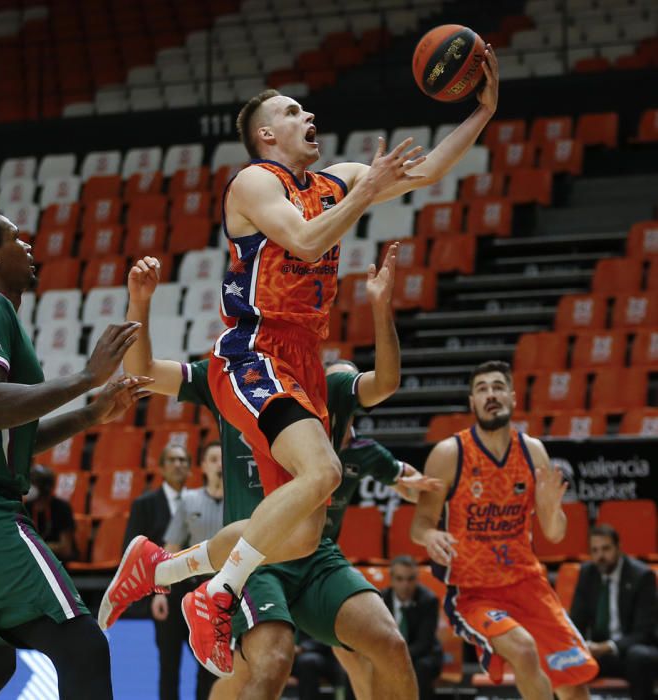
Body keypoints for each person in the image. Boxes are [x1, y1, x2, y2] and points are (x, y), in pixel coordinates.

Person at [150, 48, 498, 676]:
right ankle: (216, 595)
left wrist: (482, 112)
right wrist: (365, 189)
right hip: (254, 350)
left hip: (306, 359)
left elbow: (424, 174)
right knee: (325, 470)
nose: (306, 113)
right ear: (266, 134)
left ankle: (166, 567)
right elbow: (307, 239)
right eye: (291, 110)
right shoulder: (254, 181)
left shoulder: (333, 179)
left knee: (302, 536)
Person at [105, 254, 441, 700]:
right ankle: (170, 570)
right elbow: (140, 371)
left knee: (390, 643)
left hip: (315, 555)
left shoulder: (324, 381)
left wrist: (381, 308)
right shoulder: (225, 374)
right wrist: (140, 303)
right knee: (271, 664)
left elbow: (386, 382)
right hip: (257, 559)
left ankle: (163, 568)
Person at [0, 199, 152, 699]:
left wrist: (90, 412)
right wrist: (87, 377)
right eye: (14, 237)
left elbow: (9, 439)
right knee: (83, 645)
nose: (27, 244)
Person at [411, 360, 598, 700]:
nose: (490, 395)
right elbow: (419, 524)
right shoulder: (449, 454)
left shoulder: (533, 452)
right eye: (482, 389)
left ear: (512, 397)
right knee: (524, 650)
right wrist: (430, 535)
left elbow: (554, 533)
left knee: (574, 684)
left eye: (498, 387)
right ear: (472, 403)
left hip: (528, 583)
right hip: (473, 591)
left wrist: (552, 509)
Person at [121, 442, 196, 700]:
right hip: (165, 595)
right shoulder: (145, 504)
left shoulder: (200, 499)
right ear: (162, 468)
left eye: (183, 460)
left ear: (190, 468)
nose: (178, 465)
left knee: (209, 666)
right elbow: (133, 549)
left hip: (198, 593)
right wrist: (155, 592)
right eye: (173, 460)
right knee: (169, 665)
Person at [159, 441, 224, 700]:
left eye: (223, 459)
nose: (219, 464)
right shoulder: (189, 500)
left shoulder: (239, 500)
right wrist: (160, 592)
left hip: (228, 592)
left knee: (211, 667)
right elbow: (170, 550)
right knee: (174, 661)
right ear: (203, 467)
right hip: (192, 590)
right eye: (213, 459)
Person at [569, 524, 658, 700]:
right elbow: (576, 622)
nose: (600, 556)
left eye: (606, 549)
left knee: (639, 657)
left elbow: (645, 632)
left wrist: (607, 646)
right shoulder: (587, 574)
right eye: (595, 550)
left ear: (619, 548)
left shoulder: (641, 576)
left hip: (631, 650)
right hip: (599, 653)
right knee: (564, 661)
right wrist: (580, 647)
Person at [382, 555, 443, 700]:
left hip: (421, 655)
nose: (405, 585)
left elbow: (424, 643)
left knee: (422, 668)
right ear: (391, 580)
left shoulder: (428, 600)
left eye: (410, 579)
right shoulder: (380, 600)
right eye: (400, 579)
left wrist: (396, 659)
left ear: (417, 579)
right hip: (388, 655)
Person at [26, 464, 76, 561]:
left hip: (58, 562)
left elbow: (66, 549)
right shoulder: (27, 507)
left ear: (45, 488)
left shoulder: (62, 508)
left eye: (33, 483)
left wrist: (35, 546)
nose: (29, 487)